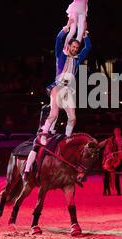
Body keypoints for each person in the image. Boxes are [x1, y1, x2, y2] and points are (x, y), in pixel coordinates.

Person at [23, 27, 91, 178]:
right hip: (58, 87)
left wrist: (85, 36)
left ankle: (67, 139)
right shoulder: (60, 55)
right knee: (53, 113)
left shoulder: (78, 59)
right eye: (73, 46)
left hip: (69, 90)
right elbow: (57, 41)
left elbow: (88, 48)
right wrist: (64, 30)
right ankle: (28, 167)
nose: (75, 48)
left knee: (72, 118)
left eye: (76, 47)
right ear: (68, 46)